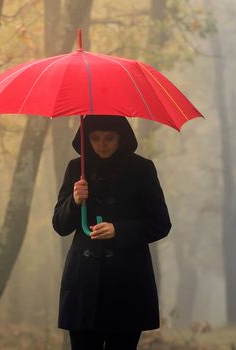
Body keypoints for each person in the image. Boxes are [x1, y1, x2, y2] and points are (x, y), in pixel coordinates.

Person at [52, 115, 171, 349]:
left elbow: (160, 223)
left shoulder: (142, 169)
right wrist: (74, 201)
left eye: (109, 138)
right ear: (86, 138)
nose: (102, 144)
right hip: (83, 284)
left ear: (121, 138)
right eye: (95, 138)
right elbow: (60, 225)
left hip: (127, 283)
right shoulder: (76, 168)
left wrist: (119, 229)